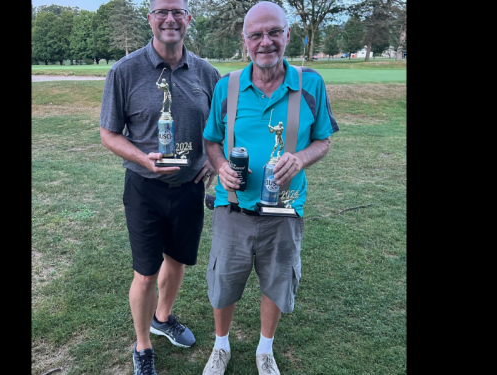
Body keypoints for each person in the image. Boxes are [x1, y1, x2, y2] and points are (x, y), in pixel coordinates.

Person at [201, 2, 339, 374]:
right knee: (224, 283)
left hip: (285, 211)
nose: (266, 42)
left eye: (274, 32)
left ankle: (265, 349)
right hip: (233, 210)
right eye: (256, 35)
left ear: (287, 35)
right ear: (244, 40)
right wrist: (221, 166)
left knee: (277, 282)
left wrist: (302, 158)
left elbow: (323, 140)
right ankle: (221, 346)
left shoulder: (310, 83)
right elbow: (212, 140)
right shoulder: (226, 86)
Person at [98, 1, 221, 374]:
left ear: (188, 19)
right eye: (162, 11)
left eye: (178, 11)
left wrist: (212, 164)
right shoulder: (125, 71)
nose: (170, 19)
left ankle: (162, 317)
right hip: (144, 188)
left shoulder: (207, 73)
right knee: (146, 272)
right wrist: (141, 158)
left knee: (178, 259)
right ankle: (143, 345)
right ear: (150, 18)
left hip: (188, 187)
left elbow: (219, 130)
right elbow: (108, 132)